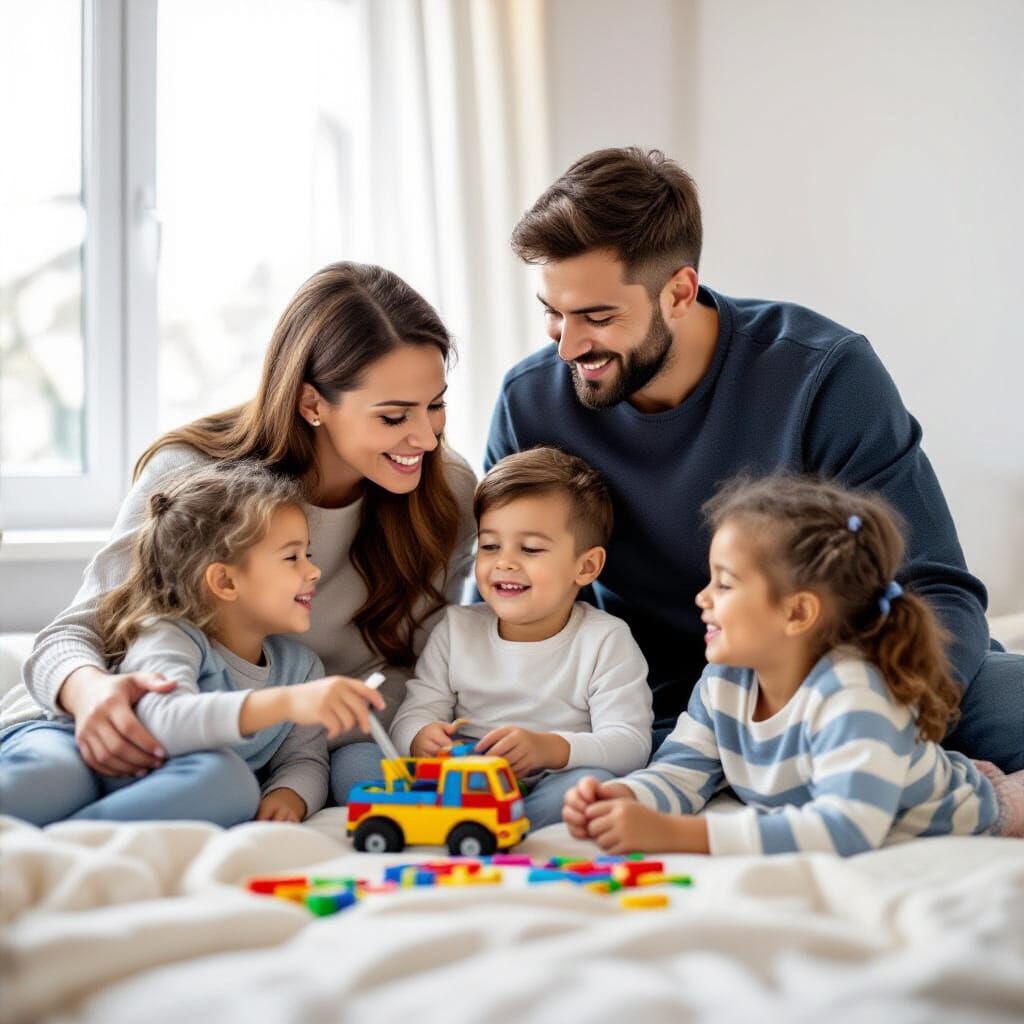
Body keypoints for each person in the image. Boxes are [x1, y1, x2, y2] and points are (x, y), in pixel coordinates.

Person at [487, 147, 1023, 772]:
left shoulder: (822, 375)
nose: (568, 346)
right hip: (642, 700)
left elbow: (936, 588)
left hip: (835, 684)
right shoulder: (529, 405)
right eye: (552, 313)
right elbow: (498, 603)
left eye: (597, 317)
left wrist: (861, 721)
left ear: (679, 292)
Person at [16, 262, 476, 807]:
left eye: (436, 405)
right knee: (45, 784)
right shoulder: (192, 472)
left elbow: (418, 672)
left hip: (256, 756)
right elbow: (74, 634)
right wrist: (92, 695)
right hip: (112, 724)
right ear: (313, 404)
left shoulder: (446, 491)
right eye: (395, 417)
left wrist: (293, 756)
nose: (424, 438)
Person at [562, 476, 1024, 855]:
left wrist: (682, 836)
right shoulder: (724, 682)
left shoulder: (855, 694)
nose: (701, 599)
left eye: (724, 585)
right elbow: (684, 769)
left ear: (797, 612)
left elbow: (846, 828)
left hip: (978, 808)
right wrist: (630, 797)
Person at [0, 463, 387, 826]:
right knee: (54, 776)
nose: (313, 570)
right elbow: (164, 721)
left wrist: (290, 795)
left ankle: (73, 841)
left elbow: (304, 758)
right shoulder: (168, 635)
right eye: (292, 557)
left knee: (230, 783)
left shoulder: (300, 669)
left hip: (158, 780)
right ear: (225, 582)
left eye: (309, 554)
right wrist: (287, 703)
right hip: (72, 743)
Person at [389, 447, 652, 828]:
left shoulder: (605, 640)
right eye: (490, 546)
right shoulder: (455, 629)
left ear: (586, 566)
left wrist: (550, 749)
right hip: (460, 781)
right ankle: (459, 816)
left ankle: (501, 823)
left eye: (530, 549)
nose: (505, 562)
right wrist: (421, 738)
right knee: (357, 760)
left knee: (590, 786)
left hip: (548, 780)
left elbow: (630, 745)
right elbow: (413, 713)